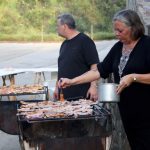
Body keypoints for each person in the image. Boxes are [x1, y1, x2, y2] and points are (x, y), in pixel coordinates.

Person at [59, 9, 150, 150]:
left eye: (120, 30)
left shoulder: (147, 45)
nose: (116, 34)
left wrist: (133, 77)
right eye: (115, 30)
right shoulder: (118, 47)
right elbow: (98, 71)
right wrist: (72, 81)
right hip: (128, 112)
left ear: (133, 28)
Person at [54, 13, 100, 101]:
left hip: (81, 96)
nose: (57, 28)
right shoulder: (64, 44)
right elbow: (61, 68)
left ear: (64, 26)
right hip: (64, 96)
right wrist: (57, 87)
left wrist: (93, 86)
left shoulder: (85, 41)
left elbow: (95, 66)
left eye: (58, 26)